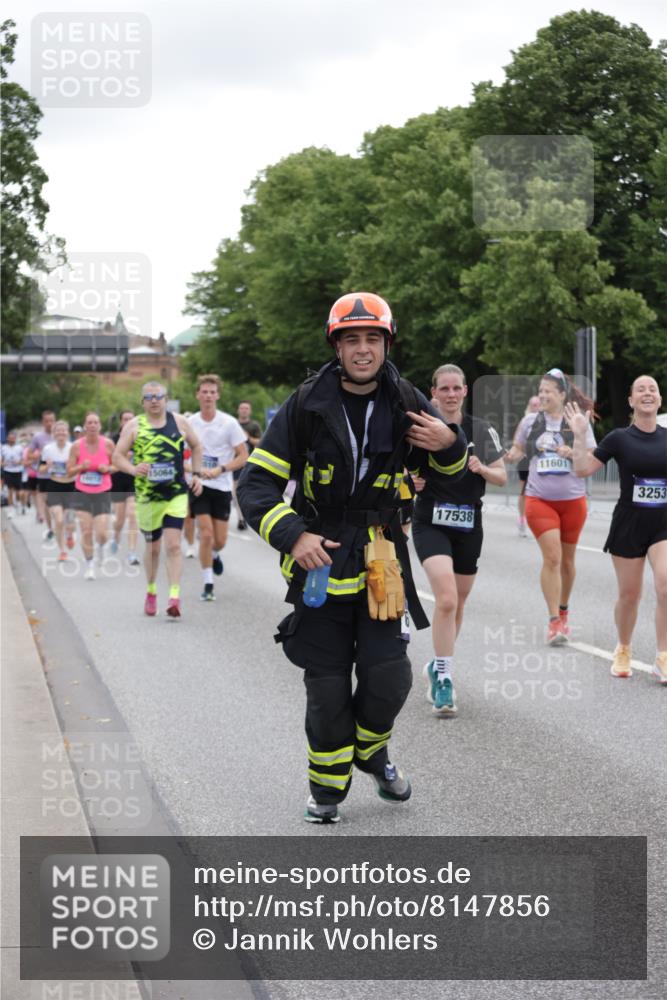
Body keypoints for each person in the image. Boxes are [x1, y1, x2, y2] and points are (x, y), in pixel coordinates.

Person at [237, 292, 467, 824]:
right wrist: (293, 535)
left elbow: (453, 480)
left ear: (386, 343)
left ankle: (372, 751)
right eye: (351, 339)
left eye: (372, 339)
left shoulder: (406, 398)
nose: (362, 350)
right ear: (336, 345)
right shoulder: (306, 403)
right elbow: (257, 484)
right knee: (327, 686)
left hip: (381, 564)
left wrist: (449, 445)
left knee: (390, 677)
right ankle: (327, 789)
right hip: (319, 562)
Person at [413, 363, 507, 716]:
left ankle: (437, 664)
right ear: (433, 392)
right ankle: (444, 680)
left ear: (465, 391)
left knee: (459, 603)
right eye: (444, 389)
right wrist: (410, 478)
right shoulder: (420, 428)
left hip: (469, 523)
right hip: (431, 521)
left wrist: (483, 468)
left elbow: (501, 476)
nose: (451, 394)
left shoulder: (481, 430)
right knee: (447, 599)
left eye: (457, 388)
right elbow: (396, 465)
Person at [565, 375, 667, 683]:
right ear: (631, 401)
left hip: (663, 524)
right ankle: (623, 647)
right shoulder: (619, 438)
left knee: (665, 584)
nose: (647, 393)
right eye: (640, 390)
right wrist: (580, 435)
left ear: (660, 400)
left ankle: (663, 655)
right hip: (628, 524)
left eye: (653, 390)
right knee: (629, 595)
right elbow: (582, 470)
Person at [505, 368, 596, 645]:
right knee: (553, 557)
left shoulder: (576, 421)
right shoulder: (531, 421)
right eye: (540, 390)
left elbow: (591, 456)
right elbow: (518, 449)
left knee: (568, 562)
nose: (542, 395)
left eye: (548, 391)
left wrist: (574, 451)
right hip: (538, 499)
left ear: (561, 394)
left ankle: (564, 610)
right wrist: (508, 456)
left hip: (573, 501)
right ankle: (554, 621)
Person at [112, 381, 203, 618]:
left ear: (166, 399)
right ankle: (151, 591)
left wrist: (197, 475)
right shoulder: (133, 426)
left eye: (158, 396)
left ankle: (174, 597)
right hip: (148, 497)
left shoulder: (180, 422)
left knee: (173, 545)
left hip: (175, 493)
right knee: (153, 549)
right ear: (142, 402)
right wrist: (133, 469)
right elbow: (117, 456)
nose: (154, 400)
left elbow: (197, 446)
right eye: (149, 397)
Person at [188, 375, 248, 601]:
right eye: (204, 392)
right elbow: (179, 456)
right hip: (198, 485)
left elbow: (244, 455)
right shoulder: (190, 423)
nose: (208, 396)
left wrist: (221, 469)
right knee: (205, 534)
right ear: (197, 395)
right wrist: (195, 470)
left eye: (212, 392)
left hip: (221, 485)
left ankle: (215, 554)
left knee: (219, 540)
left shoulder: (229, 423)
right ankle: (208, 584)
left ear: (218, 395)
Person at [67, 411, 114, 580]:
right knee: (86, 530)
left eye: (96, 422)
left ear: (100, 426)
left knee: (101, 533)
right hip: (82, 492)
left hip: (102, 492)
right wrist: (81, 468)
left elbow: (117, 465)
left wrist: (107, 469)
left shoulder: (108, 444)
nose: (93, 425)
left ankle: (101, 547)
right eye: (90, 423)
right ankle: (90, 565)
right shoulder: (77, 446)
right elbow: (69, 471)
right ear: (85, 426)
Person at [41, 420, 76, 561]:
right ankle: (62, 551)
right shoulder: (48, 449)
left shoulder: (74, 447)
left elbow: (79, 469)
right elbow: (41, 469)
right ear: (54, 433)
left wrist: (71, 467)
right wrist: (47, 466)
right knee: (59, 520)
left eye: (63, 430)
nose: (61, 433)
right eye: (58, 430)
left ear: (67, 433)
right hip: (54, 486)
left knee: (70, 521)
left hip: (71, 487)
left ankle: (69, 535)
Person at [109, 409, 140, 565]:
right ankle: (115, 536)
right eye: (125, 419)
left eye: (131, 419)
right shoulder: (113, 440)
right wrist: (123, 460)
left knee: (132, 514)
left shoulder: (140, 438)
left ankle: (132, 552)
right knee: (119, 519)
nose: (128, 422)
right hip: (118, 480)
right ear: (121, 422)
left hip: (135, 480)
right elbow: (109, 464)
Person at [233, 401, 262, 530]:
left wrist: (248, 438)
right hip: (235, 462)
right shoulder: (233, 424)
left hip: (249, 462)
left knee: (248, 493)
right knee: (236, 492)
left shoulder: (254, 426)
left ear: (249, 411)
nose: (244, 410)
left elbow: (261, 442)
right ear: (238, 410)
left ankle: (248, 516)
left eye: (246, 408)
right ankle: (241, 518)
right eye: (242, 408)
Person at [515, 396, 541, 537]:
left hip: (540, 462)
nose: (536, 406)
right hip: (526, 461)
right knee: (524, 492)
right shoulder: (525, 421)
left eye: (538, 404)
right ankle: (522, 519)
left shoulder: (546, 420)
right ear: (529, 406)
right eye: (533, 404)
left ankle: (539, 520)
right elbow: (517, 442)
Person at [28, 409, 56, 539]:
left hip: (59, 475)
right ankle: (50, 528)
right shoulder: (37, 437)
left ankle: (59, 524)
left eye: (52, 420)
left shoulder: (60, 434)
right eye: (47, 421)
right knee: (47, 503)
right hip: (44, 475)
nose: (49, 423)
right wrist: (35, 456)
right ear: (42, 422)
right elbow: (28, 454)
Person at [1, 430, 25, 517]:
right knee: (9, 491)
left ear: (15, 439)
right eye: (10, 438)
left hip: (18, 471)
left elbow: (23, 460)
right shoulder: (3, 448)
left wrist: (19, 462)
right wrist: (3, 464)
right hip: (8, 471)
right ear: (7, 439)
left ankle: (19, 504)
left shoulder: (20, 448)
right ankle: (11, 510)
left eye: (13, 438)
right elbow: (1, 461)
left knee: (19, 492)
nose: (11, 440)